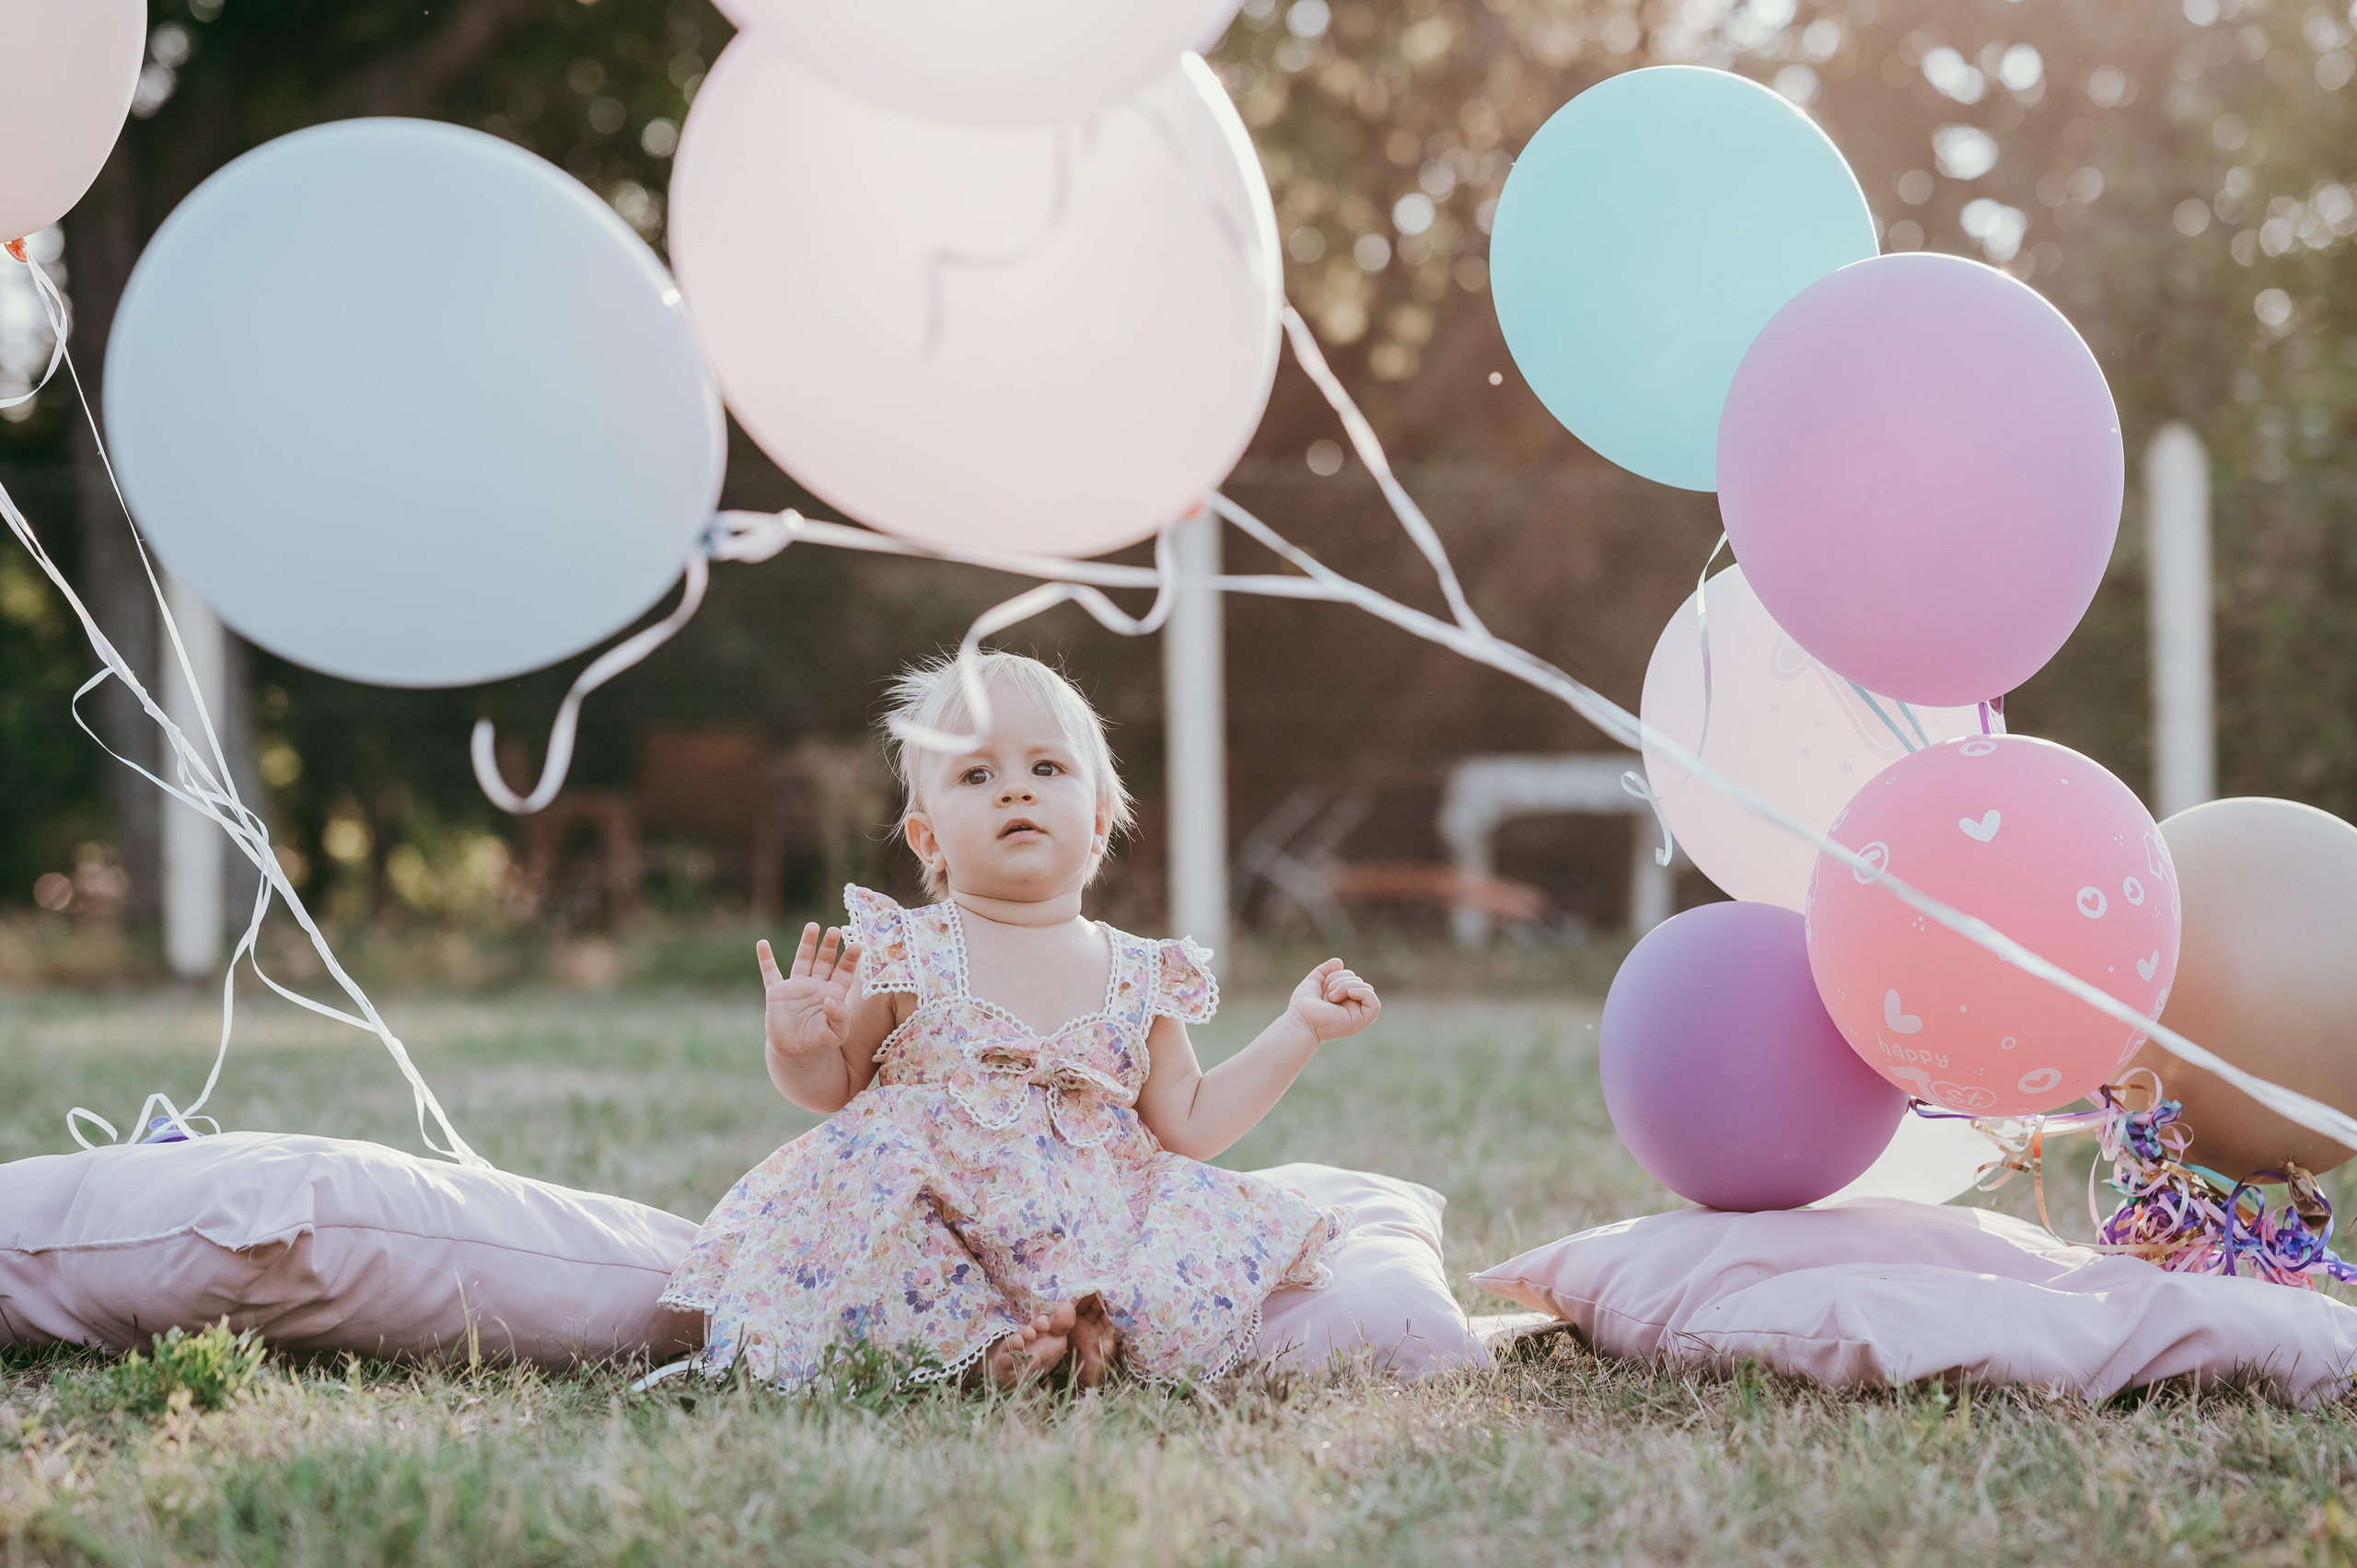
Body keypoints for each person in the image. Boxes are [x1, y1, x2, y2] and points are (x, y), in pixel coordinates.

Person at [661, 651, 1381, 1389]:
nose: (1014, 791)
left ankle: (1092, 1330)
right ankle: (980, 1351)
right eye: (977, 775)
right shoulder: (908, 950)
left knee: (1173, 1224)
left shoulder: (1137, 974)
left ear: (1098, 820)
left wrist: (1299, 1028)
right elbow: (838, 1090)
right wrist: (797, 1049)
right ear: (928, 838)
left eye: (1046, 769)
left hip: (1088, 1224)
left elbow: (1190, 1122)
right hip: (943, 1225)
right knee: (870, 1206)